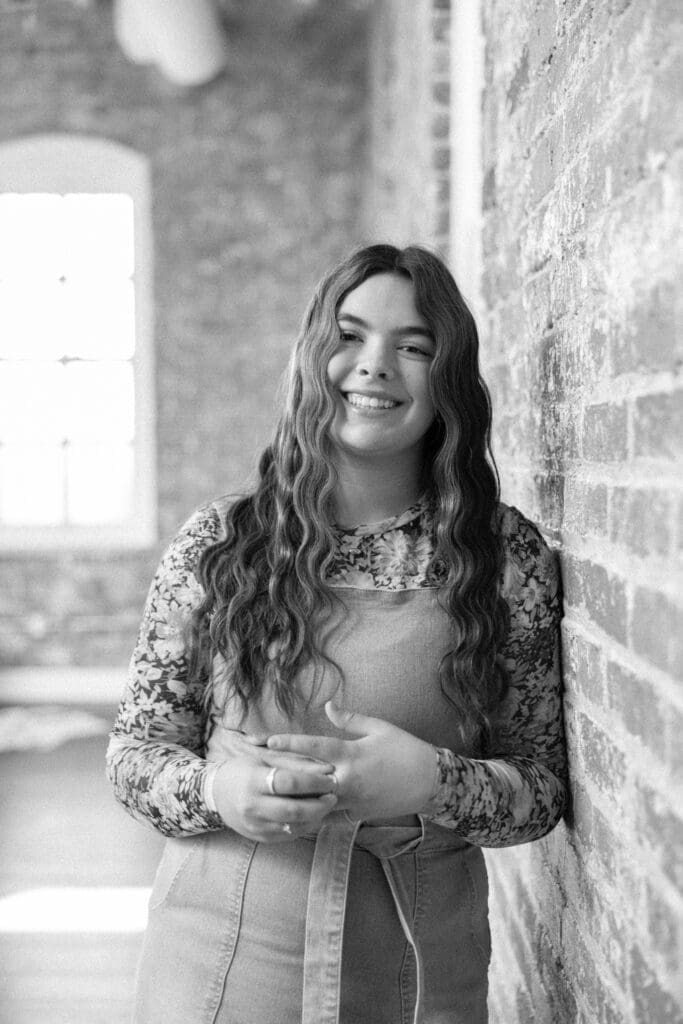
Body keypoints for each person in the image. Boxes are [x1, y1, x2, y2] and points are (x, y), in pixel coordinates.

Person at [106, 243, 566, 1024]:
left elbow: (541, 791)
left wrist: (433, 782)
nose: (374, 364)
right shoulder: (218, 543)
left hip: (419, 972)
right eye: (349, 335)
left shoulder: (503, 558)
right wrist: (218, 791)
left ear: (448, 379)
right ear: (312, 355)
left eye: (413, 346)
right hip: (219, 964)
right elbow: (134, 753)